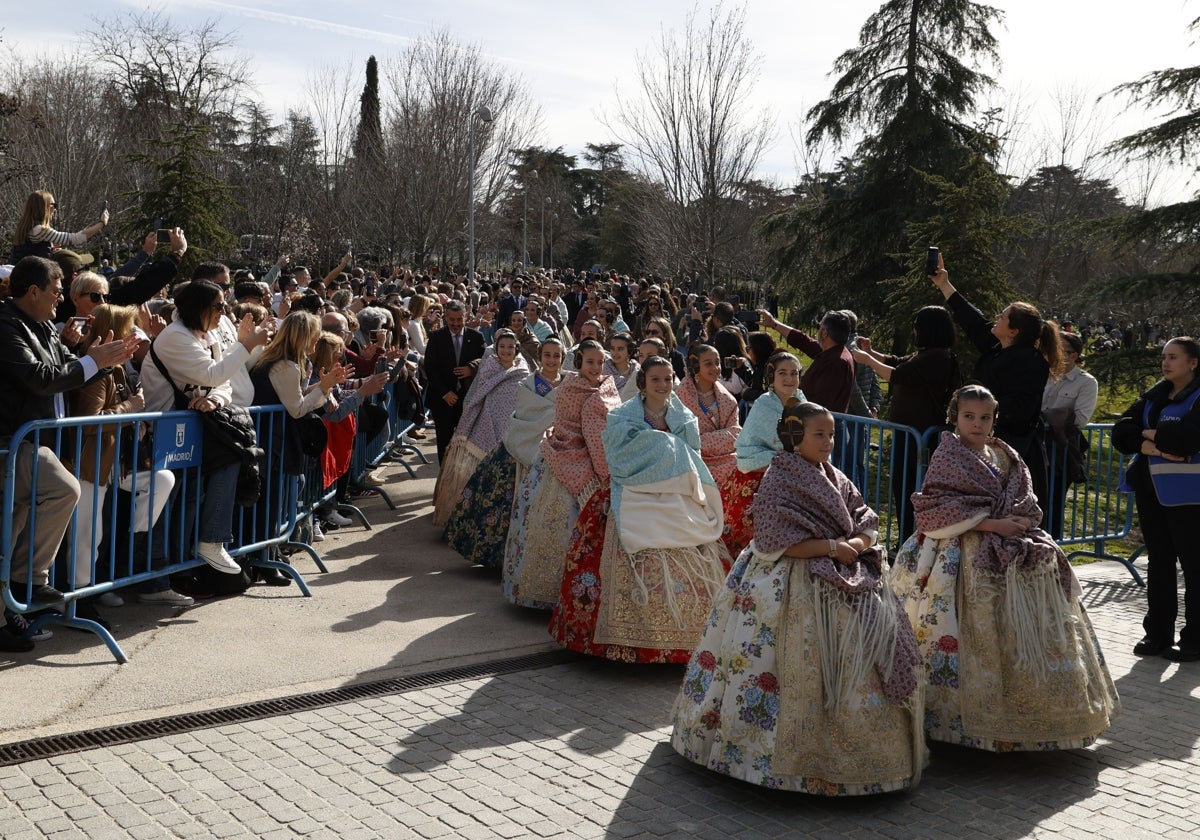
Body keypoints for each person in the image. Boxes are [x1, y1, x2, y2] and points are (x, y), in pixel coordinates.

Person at [671, 400, 925, 794]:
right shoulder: (779, 477)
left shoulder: (837, 477)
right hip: (787, 582)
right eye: (818, 435)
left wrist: (854, 544)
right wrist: (830, 546)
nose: (828, 442)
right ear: (794, 438)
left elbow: (866, 518)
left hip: (845, 575)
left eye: (831, 435)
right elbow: (774, 539)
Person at [892, 385, 1119, 749]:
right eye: (969, 416)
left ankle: (1035, 715)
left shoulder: (1004, 453)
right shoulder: (947, 455)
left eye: (985, 417)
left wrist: (1018, 520)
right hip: (958, 553)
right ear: (955, 417)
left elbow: (1025, 496)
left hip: (1013, 545)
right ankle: (955, 720)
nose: (977, 424)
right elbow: (937, 508)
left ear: (994, 419)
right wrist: (993, 524)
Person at [0, 256, 138, 651]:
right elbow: (41, 379)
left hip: (32, 442)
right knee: (65, 489)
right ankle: (31, 579)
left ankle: (10, 606)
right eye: (57, 292)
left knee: (12, 526)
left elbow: (65, 367)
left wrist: (98, 360)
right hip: (12, 443)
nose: (61, 300)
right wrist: (95, 359)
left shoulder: (41, 325)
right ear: (32, 292)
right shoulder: (6, 325)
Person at [551, 356, 727, 662]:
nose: (662, 385)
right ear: (643, 382)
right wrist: (665, 449)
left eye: (668, 379)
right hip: (632, 491)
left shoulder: (684, 417)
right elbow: (619, 457)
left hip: (676, 496)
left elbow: (693, 457)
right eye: (656, 379)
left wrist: (665, 452)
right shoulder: (622, 416)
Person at [140, 280, 271, 576]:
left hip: (188, 430)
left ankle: (186, 565)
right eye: (218, 306)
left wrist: (214, 400)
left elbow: (222, 383)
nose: (223, 312)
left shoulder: (206, 335)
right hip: (160, 433)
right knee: (169, 503)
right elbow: (214, 372)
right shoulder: (175, 337)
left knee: (193, 493)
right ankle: (160, 575)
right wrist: (245, 345)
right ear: (198, 307)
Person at [930, 255, 1064, 519]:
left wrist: (981, 416)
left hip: (1013, 455)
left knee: (1006, 520)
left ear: (1013, 331)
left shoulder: (1030, 362)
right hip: (988, 448)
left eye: (1002, 317)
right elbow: (973, 321)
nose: (996, 318)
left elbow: (1019, 410)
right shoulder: (998, 349)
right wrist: (945, 285)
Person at [67, 304, 181, 607]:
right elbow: (88, 422)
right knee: (88, 535)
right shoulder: (95, 372)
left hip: (115, 463)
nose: (135, 336)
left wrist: (136, 417)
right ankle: (80, 599)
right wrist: (131, 409)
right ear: (113, 335)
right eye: (129, 330)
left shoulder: (117, 369)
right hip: (90, 464)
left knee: (162, 479)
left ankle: (134, 544)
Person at [1113, 337, 1200, 660]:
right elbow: (1120, 433)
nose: (1165, 363)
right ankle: (1158, 635)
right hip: (1152, 491)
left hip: (1191, 496)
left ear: (1193, 363)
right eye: (1164, 356)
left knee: (1194, 567)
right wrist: (1152, 444)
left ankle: (1194, 639)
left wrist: (1148, 436)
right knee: (1159, 563)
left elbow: (1187, 440)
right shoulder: (1155, 395)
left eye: (1174, 357)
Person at [850, 305, 959, 540]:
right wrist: (873, 352)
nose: (914, 332)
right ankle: (905, 540)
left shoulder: (937, 358)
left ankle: (913, 540)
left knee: (913, 488)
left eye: (917, 327)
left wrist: (867, 360)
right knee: (902, 488)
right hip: (908, 436)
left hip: (919, 438)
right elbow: (899, 362)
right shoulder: (927, 354)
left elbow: (898, 374)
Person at [437, 329, 529, 541]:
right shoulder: (489, 367)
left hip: (511, 429)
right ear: (496, 349)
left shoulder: (523, 371)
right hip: (485, 424)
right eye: (502, 346)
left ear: (516, 349)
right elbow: (476, 395)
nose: (506, 351)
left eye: (510, 347)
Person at [725, 351, 805, 557]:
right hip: (759, 476)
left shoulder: (803, 403)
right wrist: (783, 462)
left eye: (794, 373)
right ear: (771, 376)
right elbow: (747, 447)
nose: (789, 379)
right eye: (783, 373)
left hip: (799, 476)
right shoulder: (763, 404)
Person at [1042, 331, 1099, 540]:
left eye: (1058, 349)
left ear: (1073, 355)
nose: (1050, 353)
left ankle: (1054, 552)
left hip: (1060, 449)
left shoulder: (1086, 382)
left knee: (1054, 503)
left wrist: (1044, 419)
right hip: (1035, 445)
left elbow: (1079, 419)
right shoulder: (1041, 374)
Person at [676, 344, 741, 519]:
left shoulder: (728, 400)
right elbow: (683, 439)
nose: (715, 368)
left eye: (717, 362)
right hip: (692, 460)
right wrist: (718, 439)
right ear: (695, 365)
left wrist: (702, 439)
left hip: (728, 459)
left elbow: (736, 435)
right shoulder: (681, 396)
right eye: (708, 363)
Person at [758, 308, 854, 412]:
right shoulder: (833, 352)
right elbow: (804, 341)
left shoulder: (836, 362)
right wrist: (774, 324)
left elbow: (819, 401)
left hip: (815, 423)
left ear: (825, 333)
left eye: (820, 327)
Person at [424, 300, 485, 462]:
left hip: (468, 399)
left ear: (465, 317)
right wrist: (445, 392)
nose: (456, 324)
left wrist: (471, 369)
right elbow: (430, 368)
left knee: (467, 442)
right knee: (444, 442)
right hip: (442, 400)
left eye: (459, 319)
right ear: (445, 318)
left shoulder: (476, 337)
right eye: (452, 320)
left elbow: (486, 361)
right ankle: (444, 479)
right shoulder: (436, 338)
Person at [9, 190, 108, 263]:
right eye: (53, 205)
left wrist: (49, 251)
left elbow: (30, 252)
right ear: (43, 207)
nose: (55, 209)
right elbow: (76, 238)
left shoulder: (27, 227)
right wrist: (101, 223)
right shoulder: (39, 230)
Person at [603, 332, 640, 400]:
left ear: (629, 350)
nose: (615, 353)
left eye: (620, 349)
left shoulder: (637, 371)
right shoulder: (603, 371)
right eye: (612, 348)